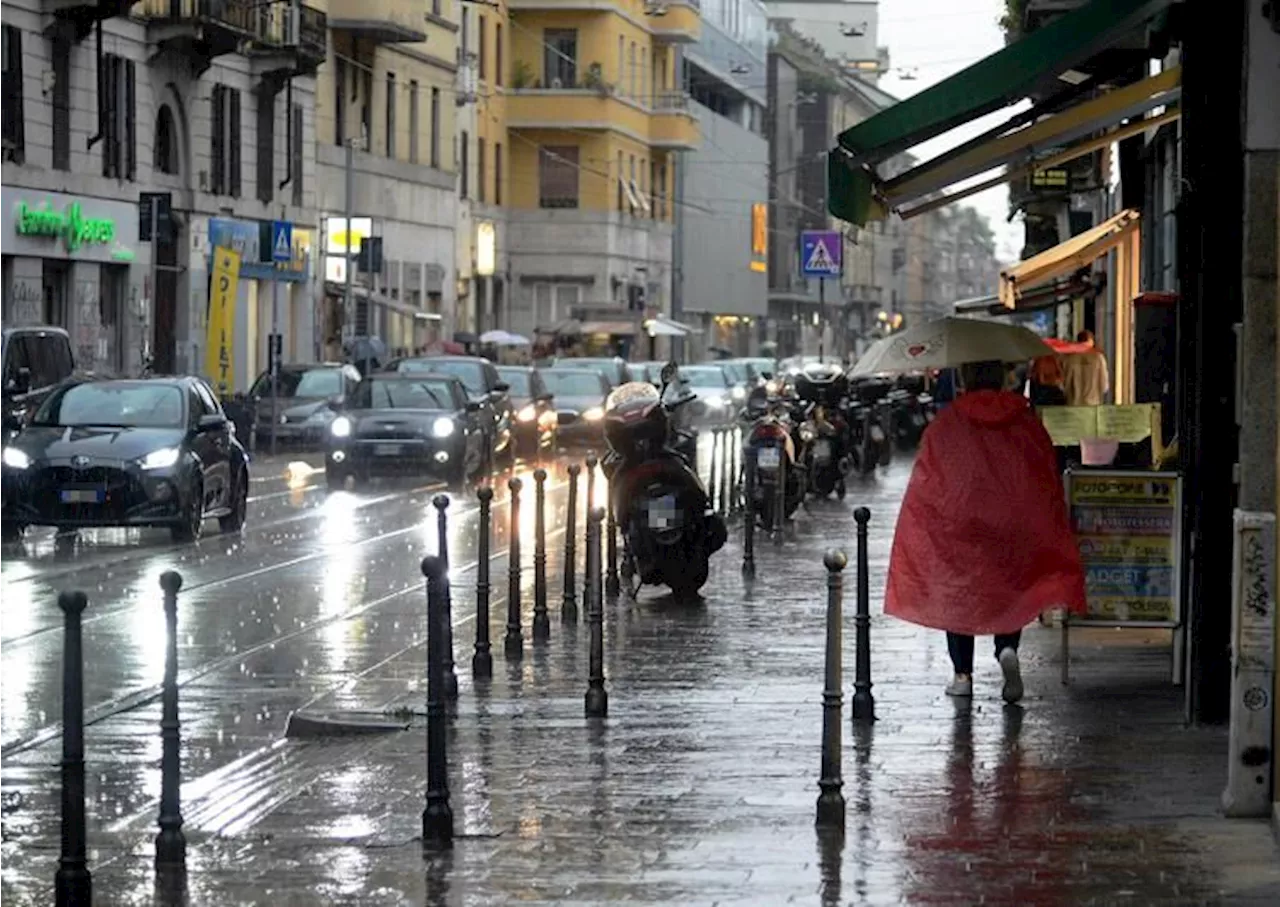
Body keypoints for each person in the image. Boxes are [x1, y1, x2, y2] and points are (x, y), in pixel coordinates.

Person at [885, 359, 1087, 703]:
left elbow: (930, 475)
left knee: (958, 592)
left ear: (965, 379)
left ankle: (962, 675)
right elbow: (1042, 469)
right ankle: (1006, 648)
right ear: (1002, 377)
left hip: (962, 522)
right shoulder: (1024, 419)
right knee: (1010, 587)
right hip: (1011, 520)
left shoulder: (949, 421)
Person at [1061, 330, 1110, 405]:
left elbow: (1064, 385)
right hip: (1093, 405)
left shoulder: (1069, 359)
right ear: (1091, 341)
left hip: (1073, 405)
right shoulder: (1098, 357)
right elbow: (1104, 386)